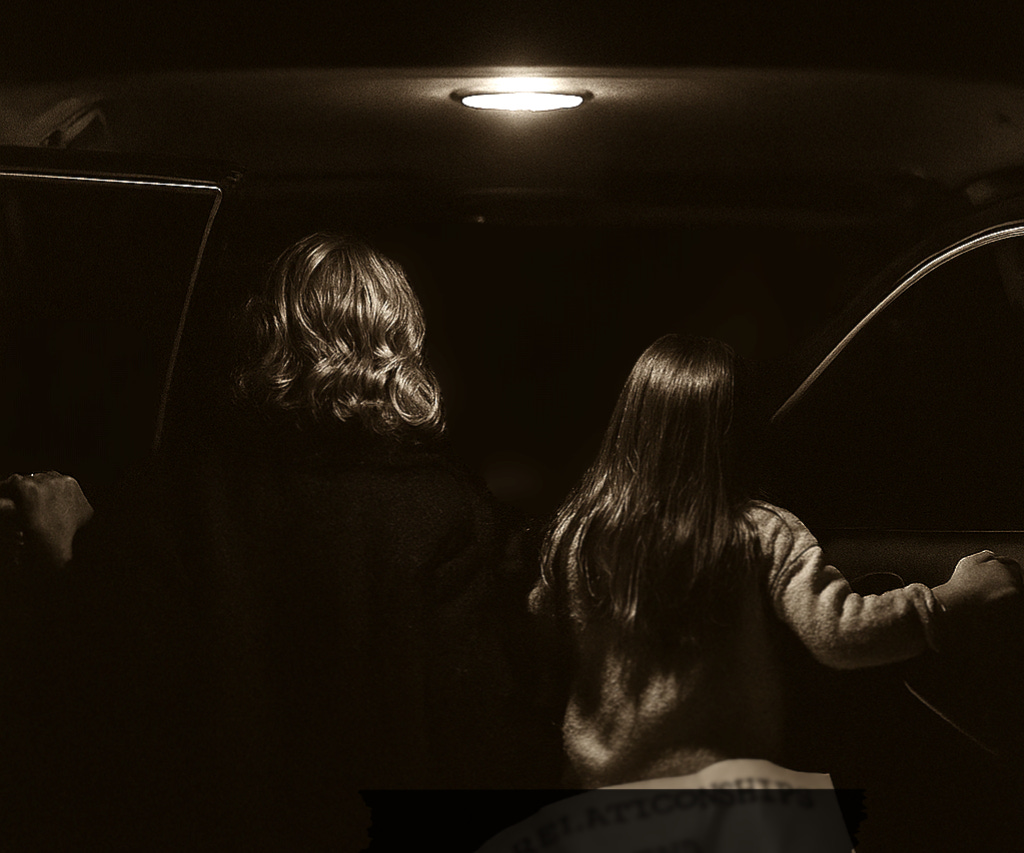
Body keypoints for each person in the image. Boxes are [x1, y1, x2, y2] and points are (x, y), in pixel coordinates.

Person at [1, 233, 555, 850]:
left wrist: (65, 553)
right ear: (403, 347)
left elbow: (120, 700)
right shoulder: (448, 512)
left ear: (263, 336)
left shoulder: (189, 498)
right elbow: (475, 729)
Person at [529, 333, 1023, 792]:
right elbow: (842, 635)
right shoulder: (759, 530)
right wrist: (959, 594)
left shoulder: (580, 526)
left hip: (597, 782)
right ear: (738, 430)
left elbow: (544, 618)